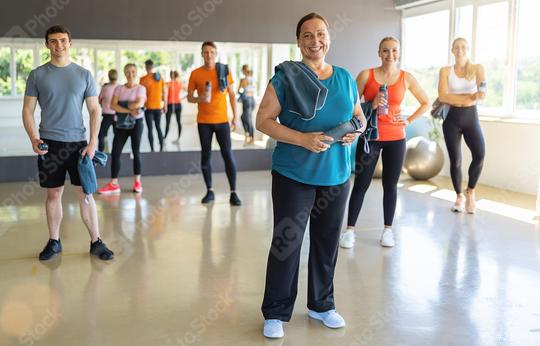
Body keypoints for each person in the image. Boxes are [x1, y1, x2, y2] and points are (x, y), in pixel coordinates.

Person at [256, 13, 366, 338]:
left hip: (337, 175)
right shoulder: (286, 77)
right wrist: (303, 139)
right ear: (299, 41)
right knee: (287, 244)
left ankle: (321, 305)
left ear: (328, 37)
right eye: (307, 35)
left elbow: (358, 116)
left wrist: (355, 131)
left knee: (327, 243)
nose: (314, 41)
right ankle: (276, 311)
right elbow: (262, 120)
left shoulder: (345, 78)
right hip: (294, 174)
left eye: (320, 34)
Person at [22, 25, 114, 261]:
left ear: (70, 43)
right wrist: (34, 138)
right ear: (47, 44)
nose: (58, 45)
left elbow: (95, 110)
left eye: (62, 40)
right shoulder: (37, 75)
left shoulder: (83, 74)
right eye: (53, 41)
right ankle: (54, 241)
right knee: (53, 194)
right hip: (49, 145)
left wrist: (93, 142)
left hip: (79, 145)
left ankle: (96, 242)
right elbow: (28, 110)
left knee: (85, 195)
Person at [339, 36, 430, 249]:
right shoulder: (366, 75)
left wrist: (408, 120)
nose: (390, 55)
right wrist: (370, 102)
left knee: (391, 186)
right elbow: (348, 104)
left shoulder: (406, 78)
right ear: (379, 53)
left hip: (396, 139)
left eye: (394, 51)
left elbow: (426, 102)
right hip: (370, 138)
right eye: (386, 51)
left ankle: (388, 230)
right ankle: (350, 231)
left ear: (399, 53)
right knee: (361, 185)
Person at [187, 41, 241, 206]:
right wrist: (199, 98)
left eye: (211, 52)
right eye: (205, 52)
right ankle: (209, 191)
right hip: (204, 122)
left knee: (228, 156)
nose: (209, 55)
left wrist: (235, 116)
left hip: (222, 121)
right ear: (202, 54)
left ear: (215, 54)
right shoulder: (195, 74)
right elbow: (189, 97)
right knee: (206, 157)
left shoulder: (224, 70)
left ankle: (233, 192)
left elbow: (232, 94)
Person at [438, 37, 486, 214]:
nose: (460, 50)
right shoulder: (445, 71)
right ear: (452, 50)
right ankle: (459, 195)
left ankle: (470, 191)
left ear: (468, 49)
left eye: (463, 47)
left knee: (480, 154)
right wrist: (469, 96)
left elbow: (482, 94)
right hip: (451, 118)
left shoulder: (477, 68)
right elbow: (442, 97)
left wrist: (457, 97)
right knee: (456, 160)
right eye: (457, 47)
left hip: (470, 117)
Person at [97, 64, 146, 194]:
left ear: (136, 73)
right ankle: (114, 183)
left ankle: (137, 182)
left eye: (133, 71)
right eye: (128, 72)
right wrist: (130, 109)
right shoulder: (119, 88)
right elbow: (113, 105)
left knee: (136, 152)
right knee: (115, 152)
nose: (130, 74)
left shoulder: (141, 88)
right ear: (124, 73)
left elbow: (139, 103)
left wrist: (122, 106)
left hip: (136, 123)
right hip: (121, 124)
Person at [140, 59, 166, 152]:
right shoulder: (159, 78)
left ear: (146, 67)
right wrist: (165, 105)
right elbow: (164, 93)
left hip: (149, 108)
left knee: (150, 129)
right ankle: (161, 148)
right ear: (153, 66)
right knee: (158, 127)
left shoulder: (143, 79)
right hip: (157, 107)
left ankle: (152, 149)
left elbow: (141, 95)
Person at [97, 69, 118, 152]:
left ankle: (101, 152)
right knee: (118, 135)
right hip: (117, 114)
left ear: (109, 76)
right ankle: (116, 151)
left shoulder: (105, 88)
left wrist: (103, 104)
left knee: (101, 135)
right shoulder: (119, 87)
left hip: (107, 115)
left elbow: (99, 100)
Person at [238, 64, 256, 144]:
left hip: (247, 100)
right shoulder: (253, 78)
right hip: (252, 100)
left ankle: (250, 136)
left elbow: (239, 90)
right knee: (245, 117)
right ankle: (248, 135)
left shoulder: (243, 80)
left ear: (243, 70)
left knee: (247, 119)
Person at [164, 70, 183, 143]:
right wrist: (181, 98)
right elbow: (188, 91)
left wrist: (165, 105)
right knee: (178, 122)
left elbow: (165, 95)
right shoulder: (179, 84)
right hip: (178, 104)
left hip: (170, 104)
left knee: (168, 122)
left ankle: (164, 138)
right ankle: (178, 138)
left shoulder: (168, 84)